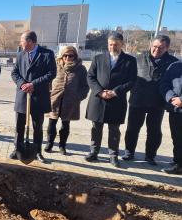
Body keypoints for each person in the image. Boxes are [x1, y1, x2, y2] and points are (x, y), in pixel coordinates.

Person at [123, 35, 178, 165]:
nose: (156, 49)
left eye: (160, 47)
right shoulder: (138, 58)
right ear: (150, 45)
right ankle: (129, 152)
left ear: (167, 48)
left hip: (158, 102)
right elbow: (128, 77)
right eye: (154, 46)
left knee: (154, 131)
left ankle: (150, 156)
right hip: (138, 100)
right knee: (132, 128)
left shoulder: (173, 62)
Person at [85, 32, 137, 167]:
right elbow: (90, 77)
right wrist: (100, 91)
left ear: (122, 44)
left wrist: (115, 92)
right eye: (110, 44)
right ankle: (94, 152)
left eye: (116, 44)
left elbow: (132, 81)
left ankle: (113, 155)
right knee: (96, 128)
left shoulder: (130, 60)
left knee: (114, 130)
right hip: (99, 99)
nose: (112, 47)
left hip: (116, 100)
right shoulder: (98, 58)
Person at [11, 31, 57, 163]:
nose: (20, 43)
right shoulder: (20, 54)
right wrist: (22, 84)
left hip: (38, 97)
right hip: (22, 96)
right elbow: (14, 73)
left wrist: (33, 84)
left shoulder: (47, 54)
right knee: (19, 126)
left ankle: (37, 152)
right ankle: (17, 149)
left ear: (30, 41)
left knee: (38, 127)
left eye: (22, 41)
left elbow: (51, 73)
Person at [45, 45, 89, 155]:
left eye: (71, 55)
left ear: (75, 56)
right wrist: (48, 93)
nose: (68, 58)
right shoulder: (55, 66)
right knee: (51, 123)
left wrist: (78, 97)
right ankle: (49, 143)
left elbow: (85, 86)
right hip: (54, 100)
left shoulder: (80, 69)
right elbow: (48, 81)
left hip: (70, 102)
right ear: (62, 56)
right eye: (65, 55)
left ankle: (62, 146)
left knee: (65, 125)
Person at [159, 60, 182, 174]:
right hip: (176, 109)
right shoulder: (174, 65)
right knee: (177, 139)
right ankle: (178, 164)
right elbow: (164, 83)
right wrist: (171, 98)